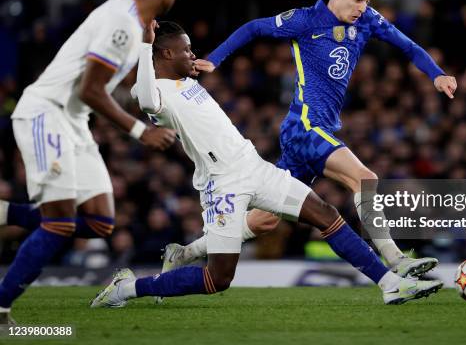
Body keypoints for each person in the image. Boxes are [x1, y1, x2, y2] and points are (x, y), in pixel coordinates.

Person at [89, 21, 443, 308]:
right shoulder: (153, 94)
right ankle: (128, 288)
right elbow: (146, 95)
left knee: (326, 213)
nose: (192, 53)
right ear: (165, 53)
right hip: (222, 183)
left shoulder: (186, 82)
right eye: (185, 49)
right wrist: (144, 44)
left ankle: (389, 283)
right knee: (217, 279)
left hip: (254, 167)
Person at [161, 0, 456, 278]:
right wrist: (215, 59)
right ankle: (396, 259)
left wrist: (436, 75)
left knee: (265, 220)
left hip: (319, 131)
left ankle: (185, 252)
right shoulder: (305, 20)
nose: (362, 8)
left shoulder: (367, 20)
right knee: (364, 178)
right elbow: (254, 28)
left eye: (367, 1)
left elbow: (408, 46)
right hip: (304, 127)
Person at [0, 0, 181, 324]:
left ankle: (7, 214)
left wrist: (147, 44)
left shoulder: (129, 16)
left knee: (100, 222)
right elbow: (90, 90)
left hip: (73, 121)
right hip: (46, 113)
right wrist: (139, 130)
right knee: (60, 224)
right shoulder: (121, 25)